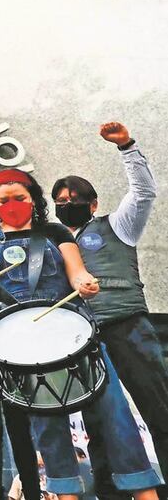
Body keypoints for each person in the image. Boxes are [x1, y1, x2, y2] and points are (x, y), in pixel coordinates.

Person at [0, 168, 161, 500]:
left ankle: (144, 491)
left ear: (33, 199)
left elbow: (78, 273)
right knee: (47, 426)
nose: (12, 205)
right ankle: (64, 493)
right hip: (24, 340)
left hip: (73, 330)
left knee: (114, 411)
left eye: (20, 198)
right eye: (4, 201)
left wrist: (85, 284)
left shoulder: (56, 231)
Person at [51, 122, 165, 500]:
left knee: (158, 407)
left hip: (128, 327)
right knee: (97, 423)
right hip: (84, 340)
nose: (67, 204)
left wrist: (127, 147)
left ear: (93, 203)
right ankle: (109, 492)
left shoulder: (118, 225)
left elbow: (144, 192)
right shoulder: (55, 242)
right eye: (60, 201)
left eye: (74, 198)